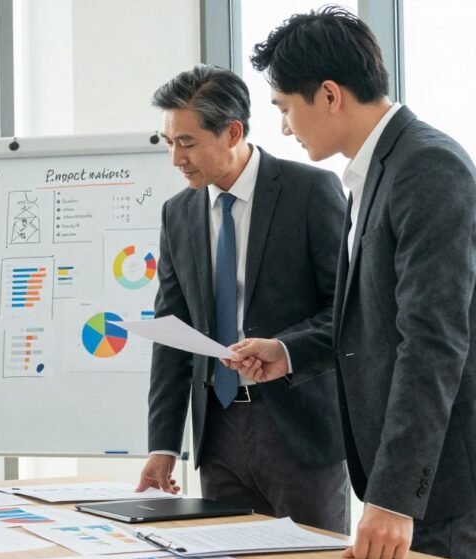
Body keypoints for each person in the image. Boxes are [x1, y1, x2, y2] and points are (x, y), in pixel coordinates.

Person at [230, 6, 476, 559]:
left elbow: (434, 341)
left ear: (330, 95)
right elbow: (370, 320)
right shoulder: (370, 173)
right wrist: (289, 351)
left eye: (287, 109)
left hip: (441, 490)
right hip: (408, 487)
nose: (286, 128)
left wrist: (394, 498)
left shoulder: (428, 167)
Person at [135, 64, 349, 533]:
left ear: (232, 132)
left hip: (298, 431)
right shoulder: (179, 213)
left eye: (187, 142)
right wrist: (164, 446)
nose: (176, 159)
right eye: (169, 142)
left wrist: (286, 348)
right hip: (218, 433)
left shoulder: (311, 191)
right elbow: (173, 335)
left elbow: (348, 311)